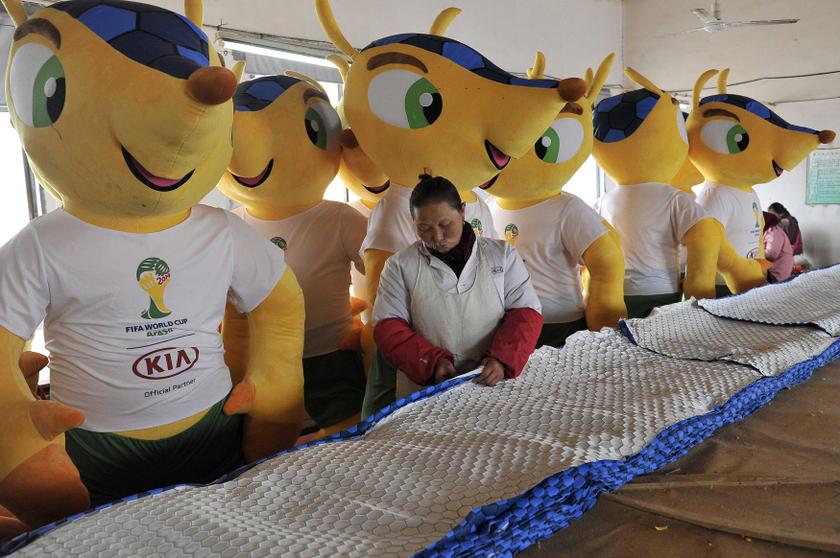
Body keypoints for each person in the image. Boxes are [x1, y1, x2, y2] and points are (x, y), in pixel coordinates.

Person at [362, 176, 543, 418]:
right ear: (413, 223)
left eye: (445, 224)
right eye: (424, 228)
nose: (437, 237)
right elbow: (388, 327)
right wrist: (431, 362)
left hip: (494, 383)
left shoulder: (501, 256)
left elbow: (526, 314)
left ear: (462, 211)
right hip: (429, 391)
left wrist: (502, 360)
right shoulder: (400, 266)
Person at [763, 212, 794, 283]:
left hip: (778, 272)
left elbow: (771, 255)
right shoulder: (766, 231)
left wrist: (756, 254)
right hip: (773, 269)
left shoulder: (774, 232)